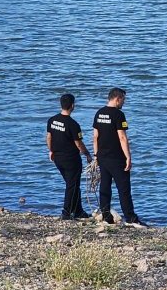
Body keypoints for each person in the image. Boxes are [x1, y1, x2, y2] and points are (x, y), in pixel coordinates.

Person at [93, 87, 146, 227]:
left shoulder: (99, 113)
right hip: (116, 158)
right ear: (117, 99)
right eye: (123, 99)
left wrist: (96, 155)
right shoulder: (118, 115)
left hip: (102, 157)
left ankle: (106, 216)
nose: (124, 102)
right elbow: (122, 137)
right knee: (124, 189)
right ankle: (130, 217)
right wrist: (128, 156)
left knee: (104, 187)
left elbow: (95, 137)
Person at [47, 93, 91, 220]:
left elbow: (49, 137)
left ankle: (78, 211)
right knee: (72, 185)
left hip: (58, 158)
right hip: (71, 159)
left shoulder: (52, 120)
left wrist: (50, 150)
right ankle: (66, 212)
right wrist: (87, 154)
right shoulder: (73, 124)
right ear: (72, 105)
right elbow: (78, 143)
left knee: (73, 183)